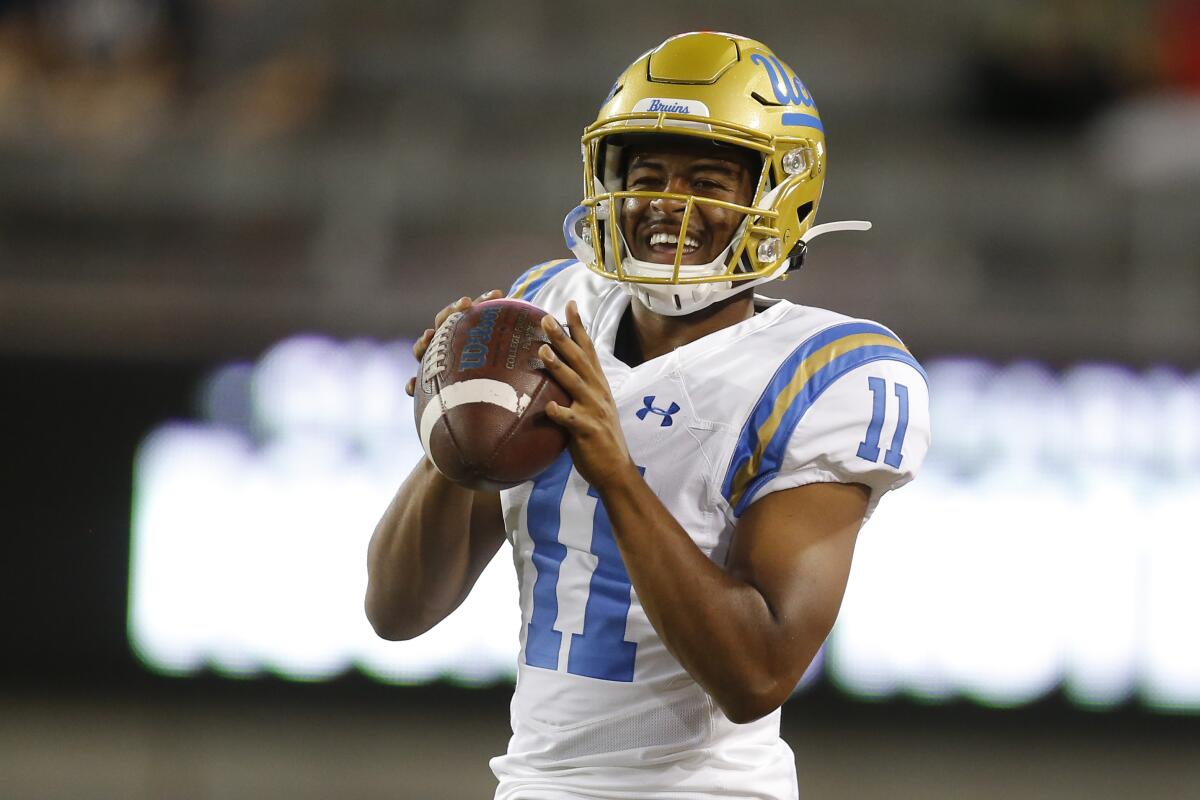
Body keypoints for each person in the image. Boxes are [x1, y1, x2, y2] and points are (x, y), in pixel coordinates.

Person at [367, 31, 930, 800]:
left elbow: (758, 674)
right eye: (648, 173)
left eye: (708, 178)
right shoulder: (549, 308)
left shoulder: (828, 372)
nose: (668, 201)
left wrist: (616, 475)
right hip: (533, 784)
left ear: (778, 195)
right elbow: (397, 612)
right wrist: (454, 440)